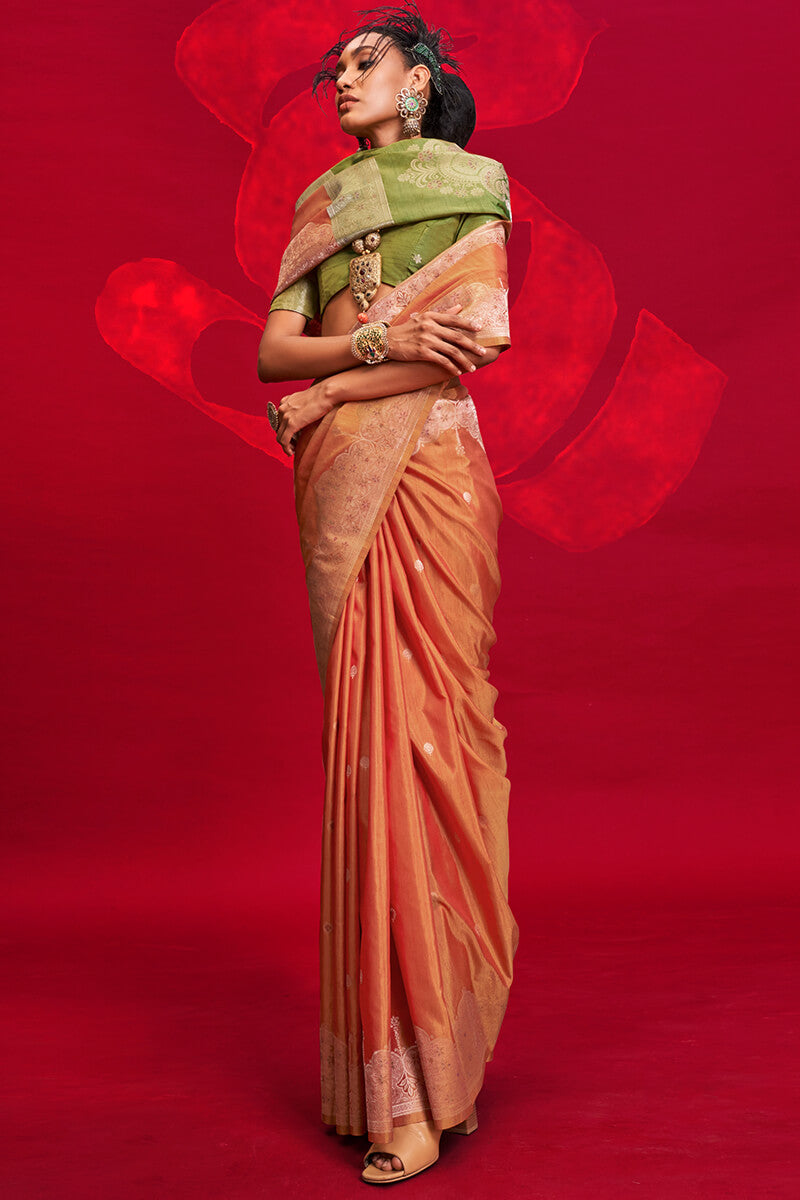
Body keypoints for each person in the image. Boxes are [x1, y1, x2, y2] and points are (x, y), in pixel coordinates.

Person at [257, 2, 519, 1184]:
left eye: (366, 64)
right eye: (337, 70)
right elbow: (273, 353)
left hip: (433, 472)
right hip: (342, 482)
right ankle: (386, 1082)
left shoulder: (472, 186)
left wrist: (328, 387)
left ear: (418, 82)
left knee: (432, 744)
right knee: (367, 754)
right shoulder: (319, 202)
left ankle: (434, 1074)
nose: (344, 82)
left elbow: (477, 338)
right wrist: (367, 356)